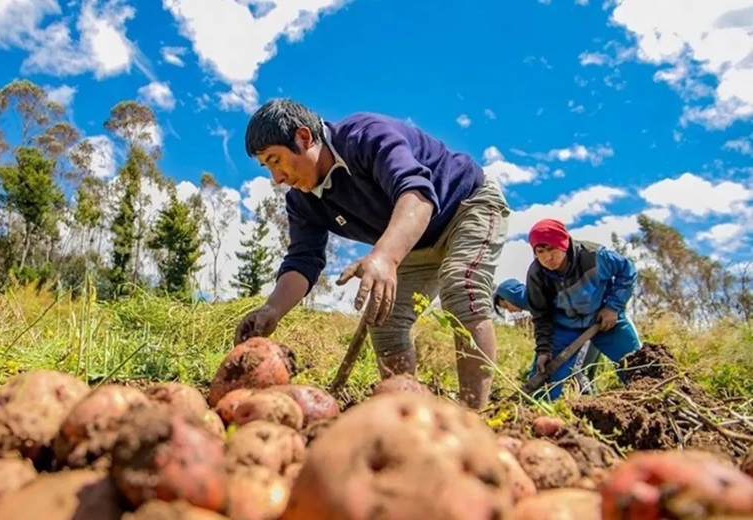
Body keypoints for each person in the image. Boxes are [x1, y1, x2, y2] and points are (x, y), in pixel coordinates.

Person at [233, 98, 511, 410]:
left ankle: (474, 416)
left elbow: (417, 194)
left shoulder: (365, 136)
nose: (277, 178)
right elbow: (303, 259)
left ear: (304, 137)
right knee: (385, 319)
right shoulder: (302, 201)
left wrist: (386, 257)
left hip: (466, 205)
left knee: (461, 286)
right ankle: (405, 415)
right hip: (416, 243)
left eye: (276, 160)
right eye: (267, 167)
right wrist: (272, 309)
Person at [523, 218, 642, 400]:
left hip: (604, 320)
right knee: (543, 385)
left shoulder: (594, 256)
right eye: (540, 251)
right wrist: (544, 350)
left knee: (638, 364)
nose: (548, 257)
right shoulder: (536, 275)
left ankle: (654, 401)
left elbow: (627, 271)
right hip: (565, 329)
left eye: (552, 249)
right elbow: (541, 315)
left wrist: (613, 307)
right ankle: (532, 418)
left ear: (563, 244)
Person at [493, 278, 603, 395]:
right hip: (595, 326)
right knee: (586, 373)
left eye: (505, 306)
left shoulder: (538, 299)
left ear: (510, 296)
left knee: (577, 372)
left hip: (586, 329)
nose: (509, 311)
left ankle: (590, 405)